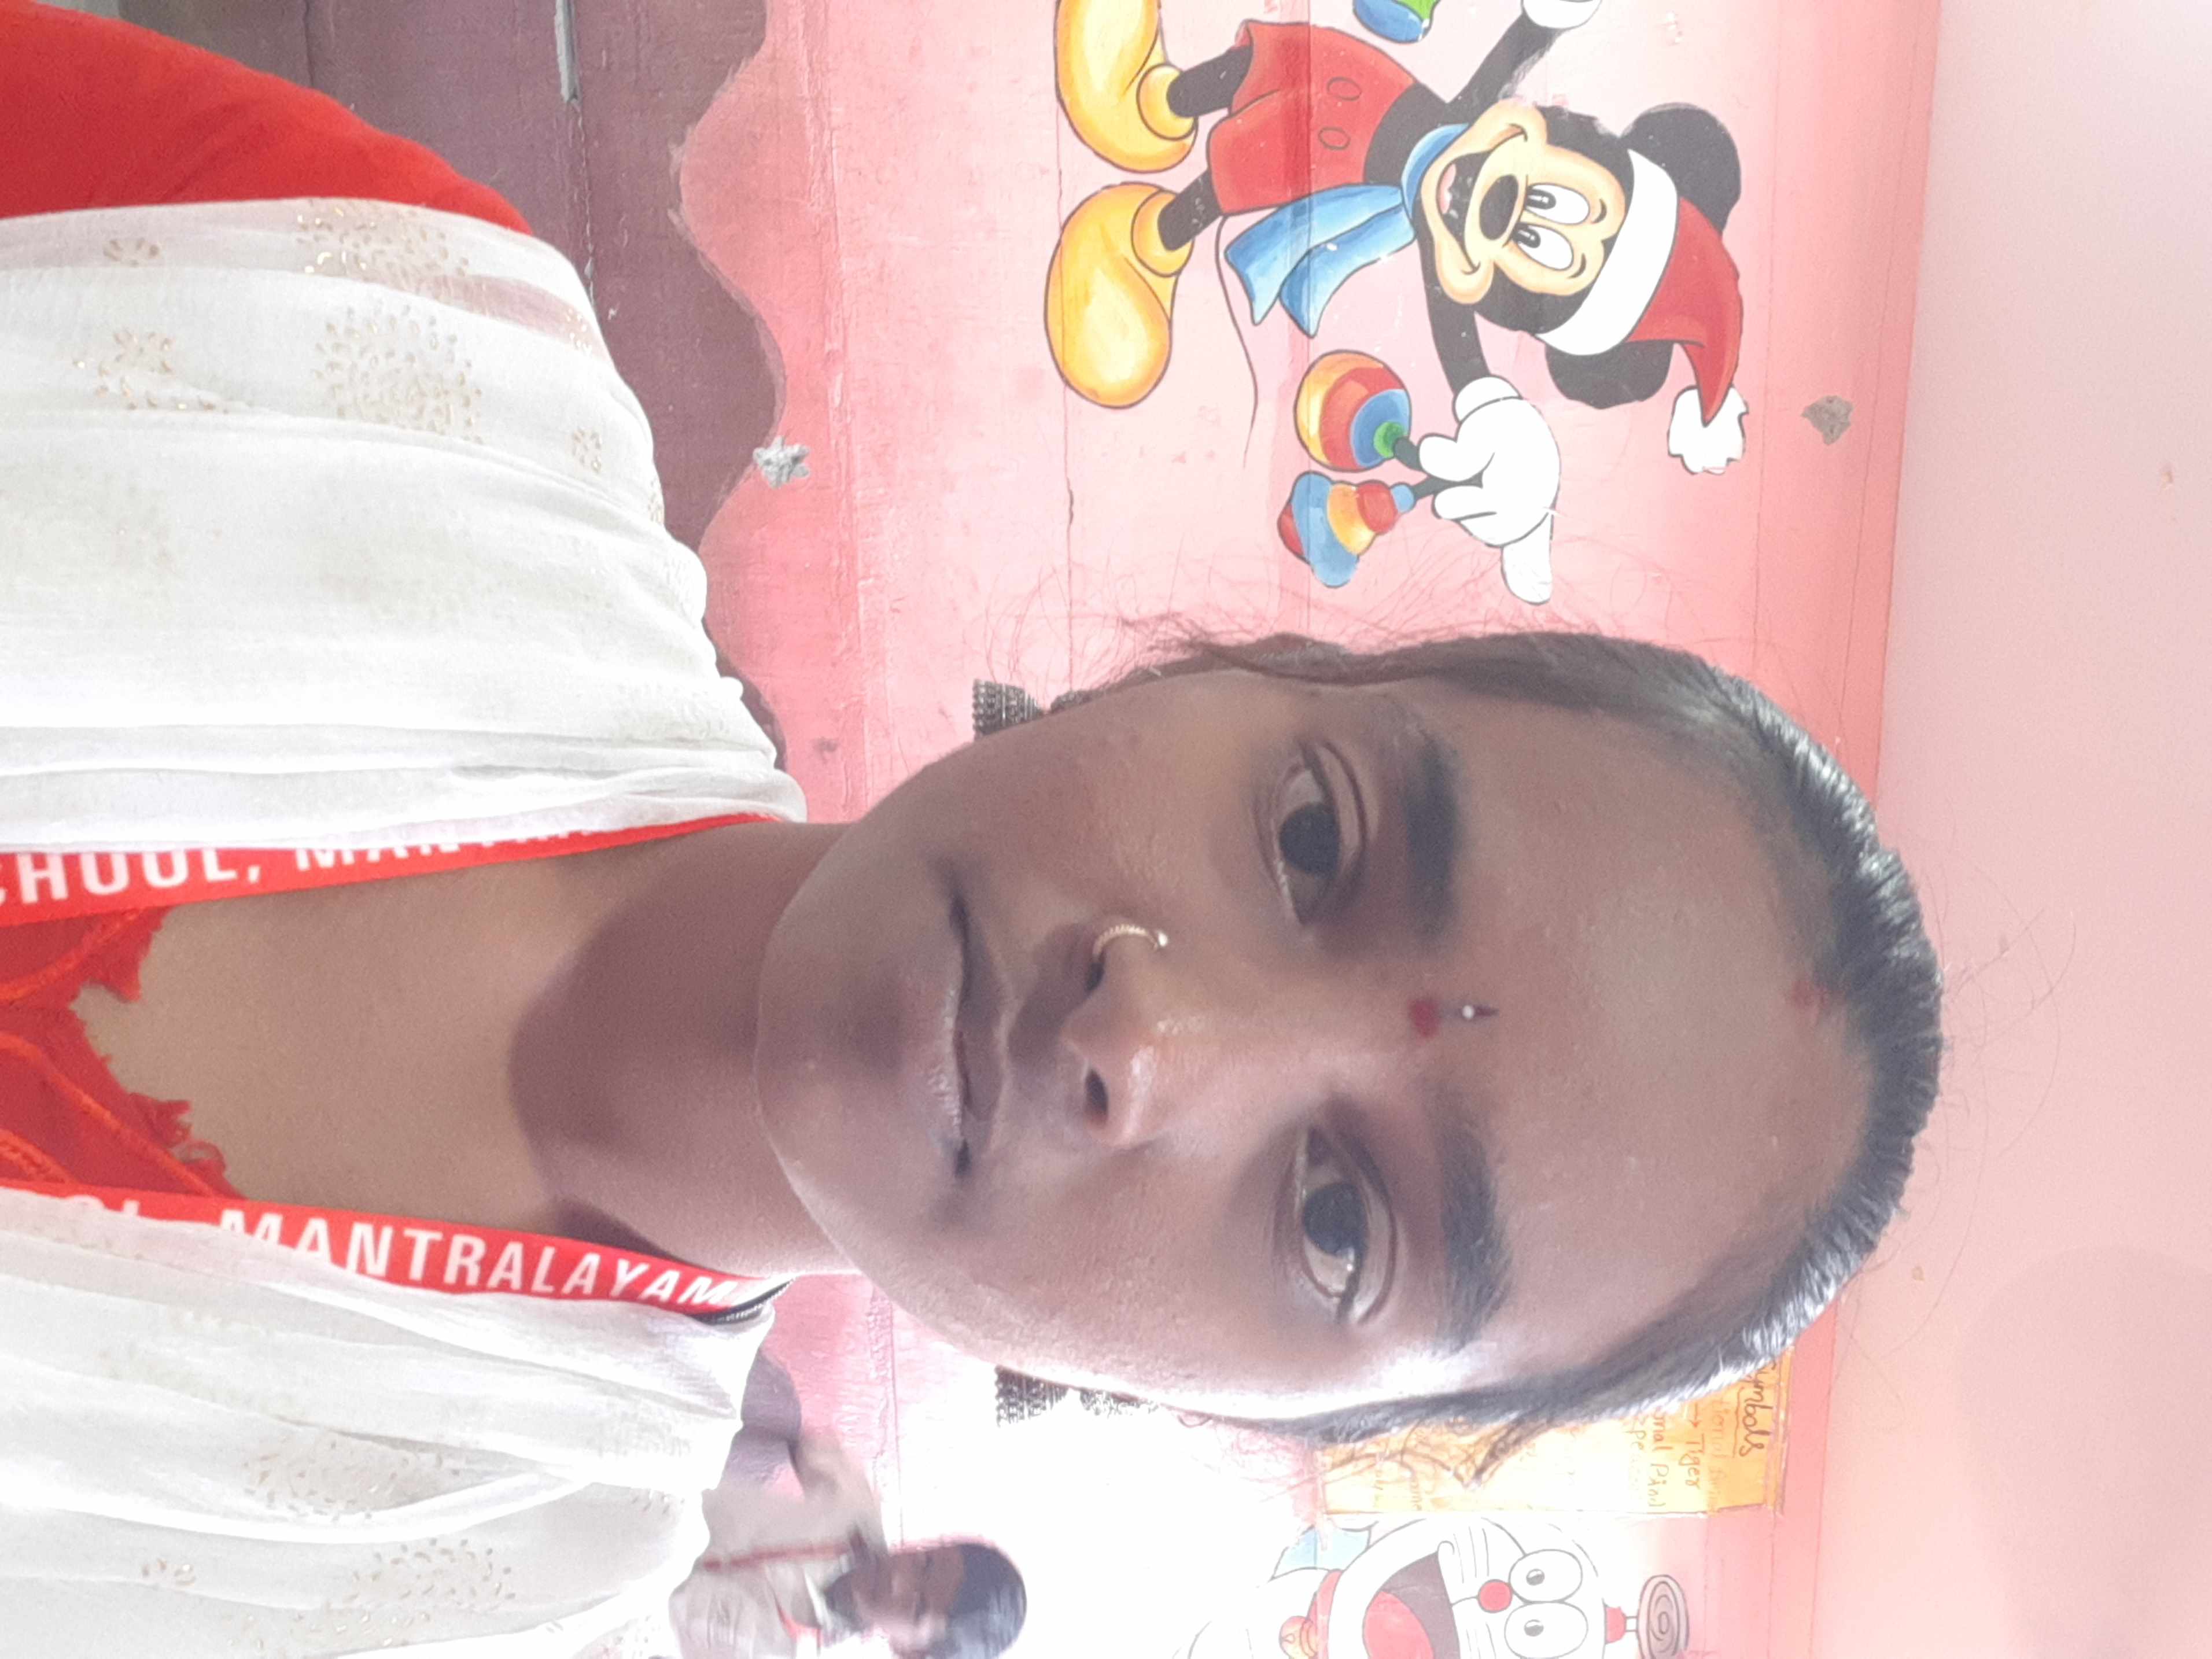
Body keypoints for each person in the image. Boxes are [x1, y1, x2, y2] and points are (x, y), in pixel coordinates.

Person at [0, 4, 1945, 1650]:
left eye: (1340, 1219)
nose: (1148, 1035)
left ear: (1243, 1408)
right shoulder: (372, 336)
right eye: (1309, 841)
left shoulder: (476, 1600)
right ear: (1232, 672)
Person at [668, 1432, 1026, 1658]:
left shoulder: (799, 1651)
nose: (898, 1580)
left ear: (910, 1651)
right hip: (656, 1495)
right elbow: (801, 1438)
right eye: (925, 1563)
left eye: (918, 1607)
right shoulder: (855, 1511)